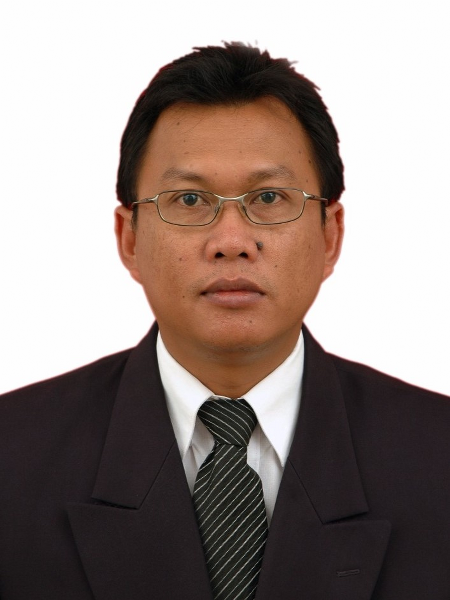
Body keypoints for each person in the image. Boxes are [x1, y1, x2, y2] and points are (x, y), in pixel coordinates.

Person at [0, 42, 449, 600]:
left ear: (330, 235)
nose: (231, 241)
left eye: (269, 197)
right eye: (189, 200)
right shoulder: (12, 457)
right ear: (130, 238)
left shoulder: (437, 455)